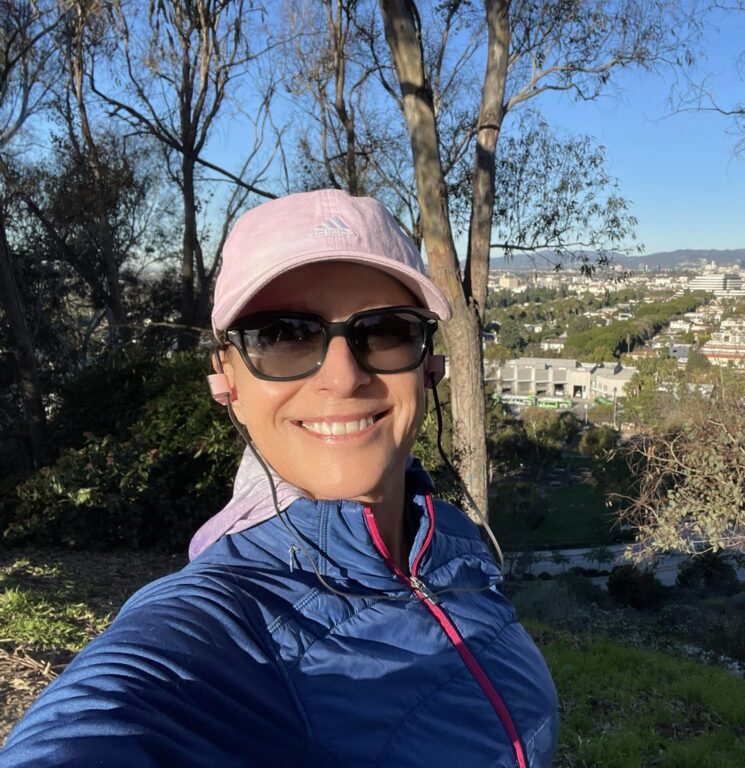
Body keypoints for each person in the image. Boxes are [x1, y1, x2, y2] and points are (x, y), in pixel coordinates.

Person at [0, 190, 559, 767]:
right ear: (229, 382)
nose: (343, 379)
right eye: (284, 335)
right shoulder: (222, 618)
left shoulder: (449, 539)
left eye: (385, 329)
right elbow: (101, 722)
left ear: (427, 366)